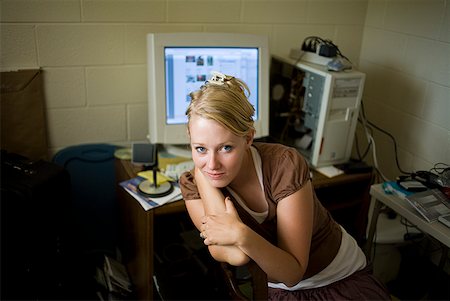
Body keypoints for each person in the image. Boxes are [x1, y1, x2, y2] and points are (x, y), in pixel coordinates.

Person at [179, 71, 391, 300]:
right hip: (283, 290)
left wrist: (241, 234)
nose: (212, 164)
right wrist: (202, 178)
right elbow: (235, 256)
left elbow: (292, 273)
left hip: (339, 277)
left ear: (249, 138)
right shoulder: (193, 185)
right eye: (200, 148)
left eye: (226, 148)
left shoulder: (283, 166)